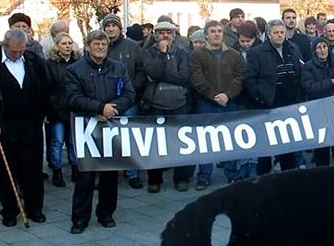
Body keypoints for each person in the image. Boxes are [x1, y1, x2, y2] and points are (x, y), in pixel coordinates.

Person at [0, 29, 52, 227]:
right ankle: (10, 210)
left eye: (21, 50)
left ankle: (35, 208)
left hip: (30, 123)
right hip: (1, 124)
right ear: (4, 46)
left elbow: (47, 87)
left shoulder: (33, 60)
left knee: (32, 169)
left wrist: (44, 112)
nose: (18, 54)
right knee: (7, 170)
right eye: (14, 51)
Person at [66, 30, 136, 234]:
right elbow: (72, 98)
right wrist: (98, 107)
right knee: (85, 175)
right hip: (86, 127)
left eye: (104, 45)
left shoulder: (118, 67)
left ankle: (106, 214)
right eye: (96, 44)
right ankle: (80, 218)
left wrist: (113, 109)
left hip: (110, 126)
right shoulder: (74, 70)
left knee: (109, 174)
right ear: (87, 46)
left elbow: (129, 93)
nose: (100, 48)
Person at [190, 20, 247, 185]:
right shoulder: (197, 54)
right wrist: (214, 95)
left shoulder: (234, 54)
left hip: (229, 103)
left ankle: (232, 175)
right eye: (213, 31)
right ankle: (204, 176)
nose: (216, 34)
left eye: (219, 31)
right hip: (206, 104)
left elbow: (240, 77)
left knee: (229, 140)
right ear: (206, 34)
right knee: (206, 141)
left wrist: (227, 95)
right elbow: (197, 78)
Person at [245, 19, 304, 173]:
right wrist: (260, 97)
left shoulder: (293, 48)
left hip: (290, 104)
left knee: (288, 143)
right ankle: (262, 179)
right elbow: (250, 80)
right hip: (268, 105)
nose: (279, 36)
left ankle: (287, 177)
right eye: (276, 33)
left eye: (282, 32)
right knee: (265, 146)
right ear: (268, 34)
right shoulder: (256, 52)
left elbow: (300, 70)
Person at [142, 21, 193, 192]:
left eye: (169, 32)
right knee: (156, 143)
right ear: (155, 35)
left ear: (174, 35)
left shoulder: (182, 53)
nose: (165, 35)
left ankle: (182, 178)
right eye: (161, 32)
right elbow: (153, 72)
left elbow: (184, 76)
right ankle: (155, 179)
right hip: (156, 104)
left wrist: (161, 76)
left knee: (182, 143)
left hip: (180, 103)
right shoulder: (148, 53)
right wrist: (162, 55)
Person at [102, 13, 148, 188]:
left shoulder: (133, 47)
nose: (110, 29)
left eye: (114, 25)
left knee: (129, 138)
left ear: (120, 28)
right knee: (108, 138)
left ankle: (132, 173)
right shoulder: (99, 45)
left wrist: (132, 89)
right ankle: (108, 173)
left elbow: (142, 71)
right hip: (105, 101)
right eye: (107, 26)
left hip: (129, 100)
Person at [46, 32, 81, 187]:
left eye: (69, 43)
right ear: (57, 46)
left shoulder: (78, 63)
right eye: (64, 43)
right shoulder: (50, 64)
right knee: (57, 142)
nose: (67, 46)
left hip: (74, 108)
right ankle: (57, 170)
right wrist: (49, 108)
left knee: (73, 142)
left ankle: (75, 169)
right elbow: (46, 88)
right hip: (57, 109)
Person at [301, 37, 334, 166]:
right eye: (319, 47)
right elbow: (309, 87)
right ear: (315, 51)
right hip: (317, 108)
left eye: (325, 47)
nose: (323, 50)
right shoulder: (308, 67)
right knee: (321, 144)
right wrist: (330, 83)